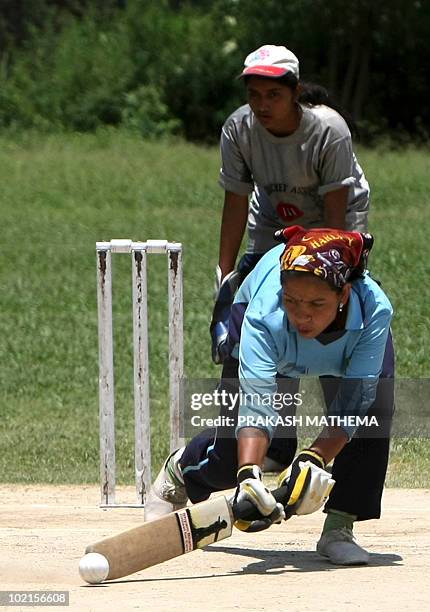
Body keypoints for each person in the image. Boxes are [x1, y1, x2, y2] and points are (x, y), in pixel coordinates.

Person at [145, 226, 395, 566]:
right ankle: (179, 473)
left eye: (317, 303)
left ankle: (339, 527)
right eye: (292, 300)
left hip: (349, 358)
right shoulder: (263, 314)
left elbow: (354, 403)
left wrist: (314, 458)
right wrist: (248, 475)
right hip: (259, 330)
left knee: (373, 412)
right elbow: (256, 402)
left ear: (344, 294)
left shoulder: (373, 312)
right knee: (231, 457)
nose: (302, 314)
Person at [211, 44, 370, 366]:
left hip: (336, 218)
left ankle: (342, 395)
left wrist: (329, 268)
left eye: (273, 95)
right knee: (258, 305)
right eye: (254, 95)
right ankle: (248, 402)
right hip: (276, 219)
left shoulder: (328, 129)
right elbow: (236, 200)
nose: (262, 105)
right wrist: (225, 276)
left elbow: (335, 211)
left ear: (295, 91)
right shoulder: (238, 128)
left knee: (326, 305)